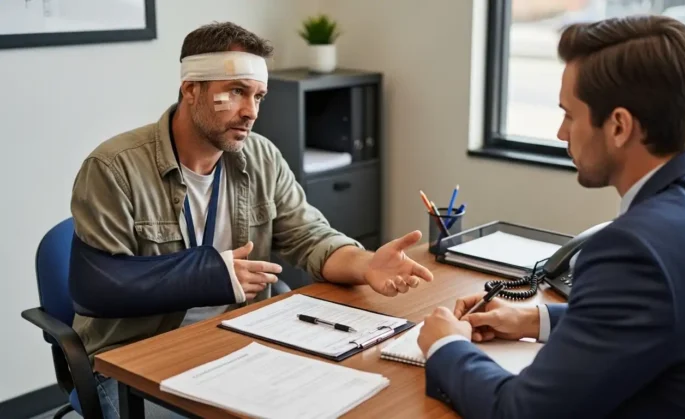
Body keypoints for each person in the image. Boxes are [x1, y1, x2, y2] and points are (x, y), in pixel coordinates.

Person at [68, 22, 433, 417]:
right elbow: (96, 288)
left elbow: (309, 237)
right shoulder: (113, 168)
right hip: (134, 363)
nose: (252, 112)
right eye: (237, 92)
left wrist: (367, 263)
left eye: (258, 95)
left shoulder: (261, 157)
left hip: (240, 345)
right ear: (191, 88)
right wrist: (209, 275)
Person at [417, 14, 685, 419]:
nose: (561, 133)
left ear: (619, 126)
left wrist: (446, 346)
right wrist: (534, 319)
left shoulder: (632, 249)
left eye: (569, 114)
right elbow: (671, 318)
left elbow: (521, 412)